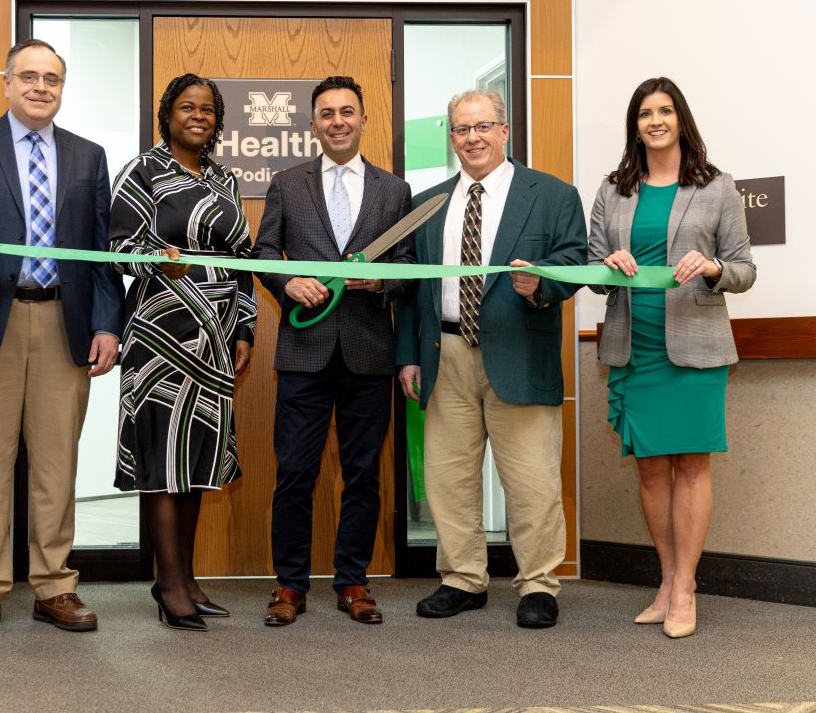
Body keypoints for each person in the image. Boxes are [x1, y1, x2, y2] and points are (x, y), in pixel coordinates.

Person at [0, 39, 125, 638]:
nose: (40, 87)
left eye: (51, 79)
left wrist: (106, 323)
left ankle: (55, 586)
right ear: (6, 83)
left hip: (64, 324)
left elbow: (101, 251)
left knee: (57, 467)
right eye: (29, 76)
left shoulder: (88, 156)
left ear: (62, 89)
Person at [395, 88, 586, 629]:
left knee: (532, 481)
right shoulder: (428, 204)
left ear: (504, 130)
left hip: (520, 354)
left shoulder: (552, 194)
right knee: (449, 479)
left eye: (482, 127)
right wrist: (408, 356)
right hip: (445, 355)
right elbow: (411, 288)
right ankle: (462, 578)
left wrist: (541, 284)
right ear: (452, 138)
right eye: (461, 129)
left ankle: (538, 584)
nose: (472, 138)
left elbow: (574, 259)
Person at [587, 76, 755, 638]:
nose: (654, 121)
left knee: (692, 464)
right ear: (634, 126)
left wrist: (710, 268)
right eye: (644, 113)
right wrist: (608, 264)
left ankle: (685, 588)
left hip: (696, 346)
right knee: (652, 468)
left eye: (664, 111)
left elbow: (743, 269)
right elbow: (593, 270)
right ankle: (666, 581)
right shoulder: (613, 189)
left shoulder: (717, 187)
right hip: (634, 347)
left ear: (681, 119)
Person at [253, 75, 413, 627]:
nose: (338, 121)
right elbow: (264, 253)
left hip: (369, 353)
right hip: (304, 353)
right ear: (313, 124)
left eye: (347, 112)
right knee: (294, 474)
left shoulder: (394, 191)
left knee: (363, 476)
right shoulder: (287, 184)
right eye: (327, 113)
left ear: (364, 120)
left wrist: (380, 282)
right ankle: (289, 585)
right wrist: (288, 283)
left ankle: (353, 581)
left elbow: (409, 267)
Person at [109, 74, 257, 631]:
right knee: (161, 458)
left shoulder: (225, 179)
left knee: (195, 458)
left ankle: (186, 578)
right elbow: (117, 249)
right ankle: (168, 583)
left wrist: (245, 327)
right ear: (168, 114)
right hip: (160, 336)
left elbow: (243, 260)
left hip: (215, 338)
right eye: (187, 107)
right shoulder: (142, 172)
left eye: (207, 109)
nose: (198, 116)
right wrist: (157, 259)